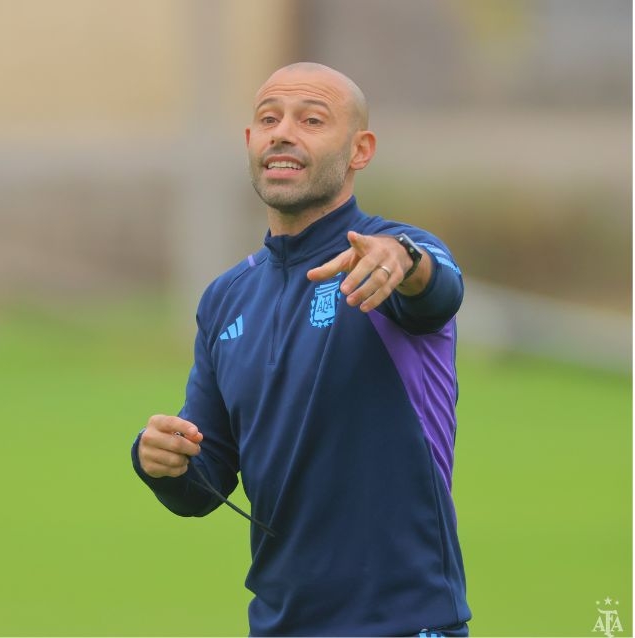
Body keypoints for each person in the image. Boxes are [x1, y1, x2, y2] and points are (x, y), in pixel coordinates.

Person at [130, 62, 471, 636]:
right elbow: (205, 479)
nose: (283, 133)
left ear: (360, 150)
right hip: (279, 626)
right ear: (250, 141)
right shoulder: (226, 298)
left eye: (312, 120)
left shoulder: (388, 256)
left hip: (405, 624)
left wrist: (403, 260)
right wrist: (158, 459)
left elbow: (438, 290)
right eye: (269, 119)